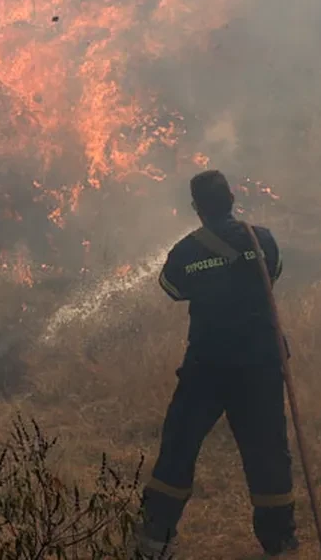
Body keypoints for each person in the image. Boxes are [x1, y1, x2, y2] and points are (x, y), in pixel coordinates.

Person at [132, 169, 299, 559]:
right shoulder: (263, 240)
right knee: (268, 452)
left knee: (179, 446)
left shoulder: (186, 251)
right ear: (232, 198)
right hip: (260, 364)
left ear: (197, 209)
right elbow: (269, 278)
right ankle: (280, 542)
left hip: (207, 365)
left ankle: (155, 539)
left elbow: (173, 289)